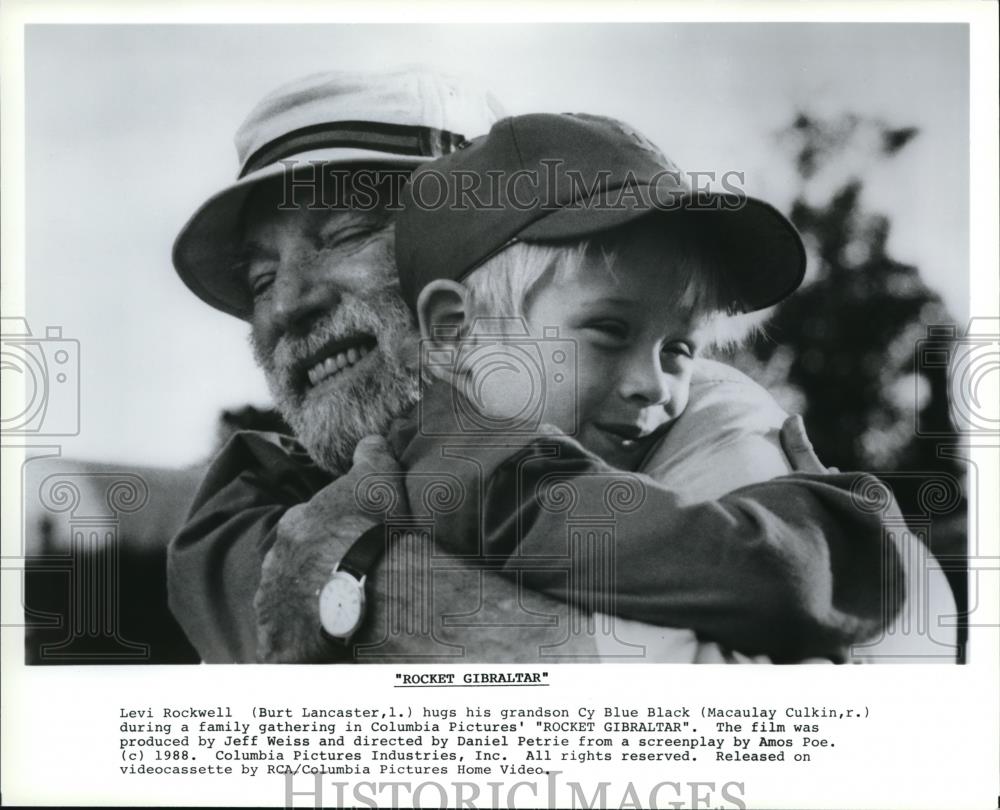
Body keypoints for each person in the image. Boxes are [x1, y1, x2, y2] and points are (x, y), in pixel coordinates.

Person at [168, 68, 954, 664]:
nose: (287, 304)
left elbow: (807, 697)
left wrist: (353, 584)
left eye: (342, 233)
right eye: (260, 277)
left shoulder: (699, 421)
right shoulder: (256, 502)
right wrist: (849, 525)